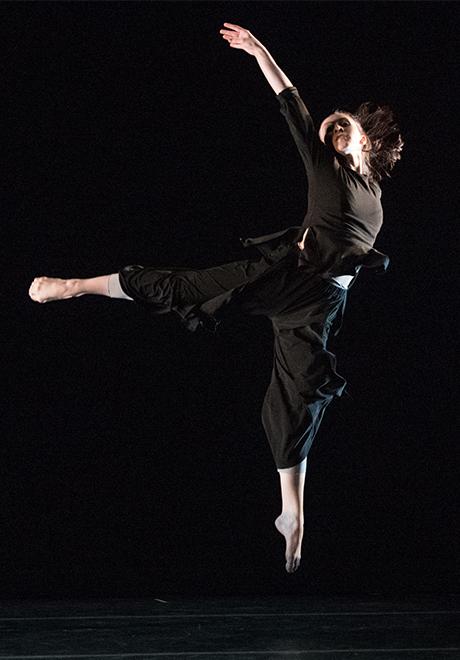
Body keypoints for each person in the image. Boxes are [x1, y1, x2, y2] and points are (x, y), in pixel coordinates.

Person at [28, 24, 403, 573]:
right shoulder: (326, 164)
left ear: (363, 143)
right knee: (187, 289)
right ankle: (77, 285)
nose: (334, 132)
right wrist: (259, 51)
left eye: (344, 129)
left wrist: (342, 125)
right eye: (331, 131)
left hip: (320, 302)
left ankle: (291, 513)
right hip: (286, 276)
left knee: (299, 394)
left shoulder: (373, 194)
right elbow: (290, 100)